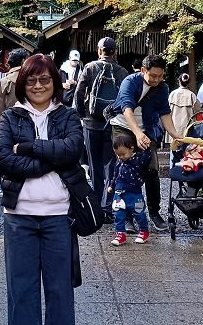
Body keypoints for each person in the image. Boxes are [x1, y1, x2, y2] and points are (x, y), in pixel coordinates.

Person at [0, 54, 85, 325]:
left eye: (45, 79)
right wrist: (48, 163)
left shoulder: (67, 116)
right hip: (19, 216)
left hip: (59, 217)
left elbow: (73, 149)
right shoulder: (10, 117)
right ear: (22, 84)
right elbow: (0, 156)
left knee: (60, 291)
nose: (38, 86)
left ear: (55, 82)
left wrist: (31, 148)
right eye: (31, 80)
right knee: (21, 292)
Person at [110, 54, 181, 231]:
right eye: (153, 76)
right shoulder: (130, 82)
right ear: (143, 71)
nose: (157, 79)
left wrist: (175, 134)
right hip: (123, 127)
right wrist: (137, 133)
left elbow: (165, 112)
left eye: (160, 76)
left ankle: (154, 212)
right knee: (125, 171)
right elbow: (127, 108)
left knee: (152, 169)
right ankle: (127, 217)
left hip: (146, 129)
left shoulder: (162, 88)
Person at [73, 37, 128, 217]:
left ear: (99, 51)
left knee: (94, 165)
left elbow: (79, 93)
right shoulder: (121, 71)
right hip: (113, 123)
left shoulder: (90, 68)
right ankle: (108, 205)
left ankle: (95, 207)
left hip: (91, 123)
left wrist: (82, 115)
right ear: (115, 52)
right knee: (111, 164)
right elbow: (126, 98)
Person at [106, 128, 152, 245]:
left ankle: (144, 231)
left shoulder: (137, 159)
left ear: (131, 148)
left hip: (134, 193)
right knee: (118, 214)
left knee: (139, 213)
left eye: (123, 154)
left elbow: (146, 158)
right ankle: (120, 234)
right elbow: (115, 175)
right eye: (118, 155)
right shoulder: (119, 162)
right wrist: (112, 185)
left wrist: (147, 147)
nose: (121, 157)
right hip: (119, 193)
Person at [0, 48, 31, 131]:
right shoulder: (32, 79)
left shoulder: (3, 82)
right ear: (23, 61)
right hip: (31, 124)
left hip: (10, 126)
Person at [167, 72, 199, 142]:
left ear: (178, 81)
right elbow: (198, 111)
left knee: (174, 148)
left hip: (173, 127)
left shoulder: (172, 94)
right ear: (189, 82)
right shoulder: (192, 95)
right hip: (188, 128)